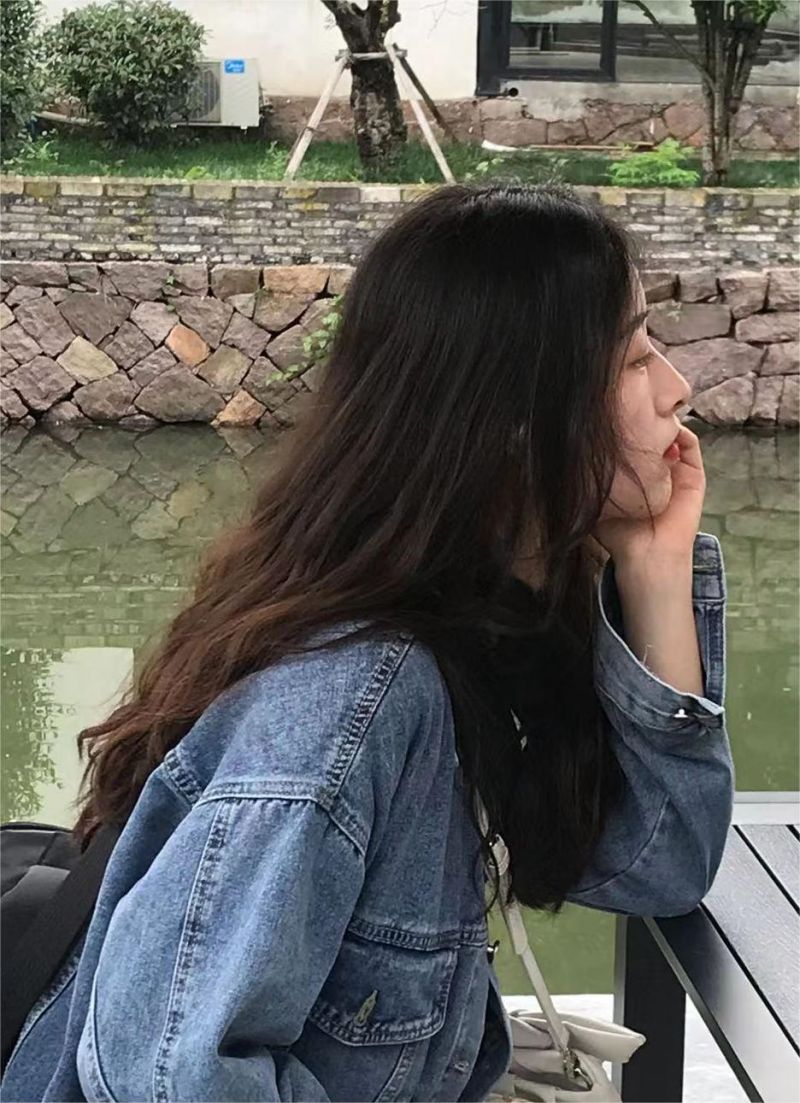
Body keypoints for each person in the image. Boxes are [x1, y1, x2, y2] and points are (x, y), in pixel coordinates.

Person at [1, 183, 733, 1103]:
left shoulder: (491, 625)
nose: (676, 387)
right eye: (632, 357)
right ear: (513, 418)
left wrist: (656, 570)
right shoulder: (353, 692)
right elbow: (171, 1078)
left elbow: (661, 865)